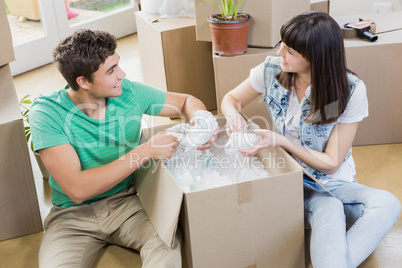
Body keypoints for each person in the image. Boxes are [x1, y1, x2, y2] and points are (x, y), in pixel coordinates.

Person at [221, 11, 401, 268]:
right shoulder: (271, 70)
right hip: (291, 178)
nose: (281, 53)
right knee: (331, 210)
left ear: (316, 58)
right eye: (283, 44)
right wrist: (232, 117)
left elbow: (331, 163)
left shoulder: (350, 90)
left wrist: (282, 141)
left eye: (291, 51)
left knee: (389, 204)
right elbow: (231, 99)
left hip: (331, 181)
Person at [29, 29, 216, 267]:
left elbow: (185, 102)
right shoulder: (47, 113)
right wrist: (145, 151)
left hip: (128, 203)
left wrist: (202, 124)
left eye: (118, 64)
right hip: (72, 217)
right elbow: (77, 189)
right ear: (83, 81)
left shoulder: (129, 92)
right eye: (110, 71)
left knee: (167, 247)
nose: (122, 74)